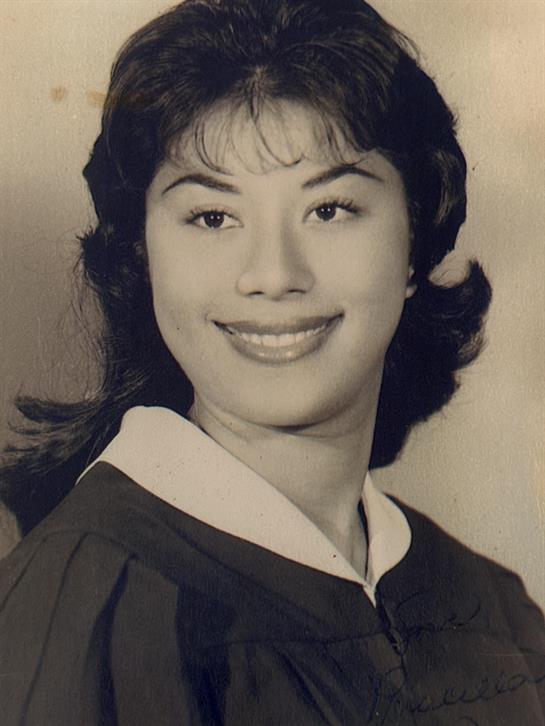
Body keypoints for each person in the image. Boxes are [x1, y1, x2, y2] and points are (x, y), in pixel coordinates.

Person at [0, 0, 543, 723]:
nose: (274, 274)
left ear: (414, 242)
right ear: (142, 254)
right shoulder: (93, 602)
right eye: (212, 217)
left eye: (330, 209)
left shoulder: (491, 608)